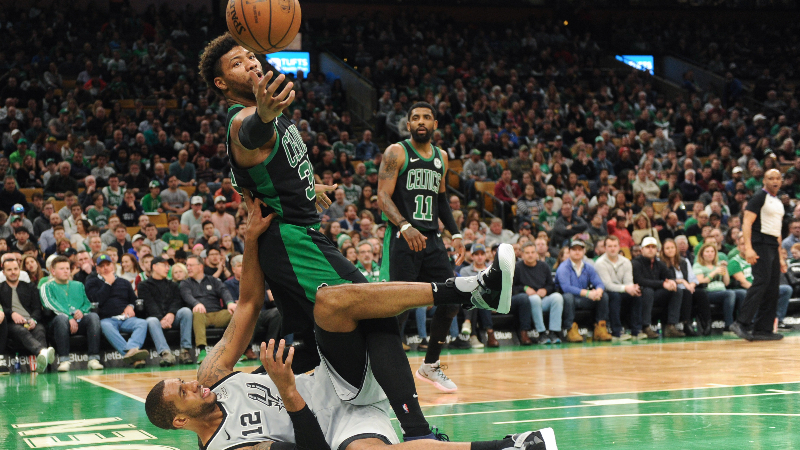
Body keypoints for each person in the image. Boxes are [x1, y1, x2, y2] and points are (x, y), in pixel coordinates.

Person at [199, 36, 515, 441]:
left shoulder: (270, 115)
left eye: (250, 56)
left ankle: (405, 430)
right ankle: (469, 293)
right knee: (370, 311)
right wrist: (262, 114)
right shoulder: (243, 120)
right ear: (223, 84)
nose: (251, 63)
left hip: (298, 236)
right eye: (238, 64)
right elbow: (249, 139)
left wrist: (310, 186)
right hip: (292, 242)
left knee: (326, 342)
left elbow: (267, 167)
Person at [145, 194, 557, 449]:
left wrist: (251, 240)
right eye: (184, 391)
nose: (193, 383)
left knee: (329, 302)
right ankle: (519, 445)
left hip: (340, 374)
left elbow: (250, 303)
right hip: (338, 426)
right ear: (181, 420)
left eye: (184, 380)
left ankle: (466, 290)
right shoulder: (231, 449)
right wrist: (287, 391)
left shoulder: (212, 374)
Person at [377, 101, 470, 393]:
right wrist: (405, 225)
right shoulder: (396, 152)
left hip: (432, 239)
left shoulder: (441, 157)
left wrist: (455, 234)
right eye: (415, 117)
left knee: (452, 299)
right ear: (407, 125)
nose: (420, 121)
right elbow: (382, 196)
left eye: (426, 117)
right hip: (403, 237)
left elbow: (441, 201)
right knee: (399, 307)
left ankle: (430, 365)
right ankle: (380, 369)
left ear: (435, 125)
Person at [730, 169, 787, 341]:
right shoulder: (758, 197)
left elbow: (777, 231)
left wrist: (781, 258)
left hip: (772, 245)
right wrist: (748, 248)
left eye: (777, 178)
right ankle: (741, 322)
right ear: (764, 181)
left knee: (772, 288)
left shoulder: (778, 202)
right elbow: (746, 223)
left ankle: (763, 329)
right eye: (770, 178)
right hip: (759, 243)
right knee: (761, 282)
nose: (774, 181)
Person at [85, 254, 150, 368]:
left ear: (113, 266)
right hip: (107, 319)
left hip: (126, 318)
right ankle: (132, 354)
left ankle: (131, 349)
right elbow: (96, 300)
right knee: (105, 326)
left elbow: (133, 300)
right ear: (97, 269)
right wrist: (107, 284)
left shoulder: (124, 282)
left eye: (108, 265)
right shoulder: (92, 282)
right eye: (102, 266)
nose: (106, 268)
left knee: (142, 323)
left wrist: (130, 306)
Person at [728, 235, 794, 330]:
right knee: (756, 294)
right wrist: (760, 290)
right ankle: (751, 322)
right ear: (738, 247)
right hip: (747, 289)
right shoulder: (735, 262)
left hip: (761, 287)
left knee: (786, 289)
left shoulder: (759, 258)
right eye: (742, 244)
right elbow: (743, 283)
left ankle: (778, 320)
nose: (745, 247)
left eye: (748, 244)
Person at [1, 258, 55, 373]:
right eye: (9, 270)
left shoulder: (29, 287)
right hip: (11, 323)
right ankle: (42, 351)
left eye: (15, 269)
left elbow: (37, 308)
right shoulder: (0, 288)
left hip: (30, 320)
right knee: (21, 331)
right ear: (3, 272)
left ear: (19, 270)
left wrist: (33, 320)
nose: (13, 272)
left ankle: (42, 366)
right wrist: (11, 314)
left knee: (40, 331)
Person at [180, 254, 236, 363]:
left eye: (191, 265)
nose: (188, 268)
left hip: (217, 314)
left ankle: (236, 350)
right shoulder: (185, 283)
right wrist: (196, 303)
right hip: (201, 317)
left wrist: (230, 303)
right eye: (187, 265)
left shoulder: (213, 280)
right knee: (197, 311)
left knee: (236, 312)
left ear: (200, 266)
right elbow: (187, 296)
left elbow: (224, 291)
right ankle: (202, 351)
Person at [555, 239, 612, 343]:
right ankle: (570, 328)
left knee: (604, 296)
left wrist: (598, 291)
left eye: (580, 250)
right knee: (568, 296)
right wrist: (587, 293)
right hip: (569, 300)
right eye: (574, 249)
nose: (577, 252)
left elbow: (599, 282)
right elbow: (566, 287)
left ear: (584, 251)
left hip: (584, 298)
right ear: (569, 251)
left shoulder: (588, 267)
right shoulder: (563, 267)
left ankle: (601, 327)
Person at [139, 256, 192, 365]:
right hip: (156, 320)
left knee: (186, 311)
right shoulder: (143, 285)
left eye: (168, 266)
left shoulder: (173, 285)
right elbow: (149, 304)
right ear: (154, 266)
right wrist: (161, 319)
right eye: (164, 265)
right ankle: (165, 353)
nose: (168, 268)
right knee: (152, 320)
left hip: (172, 319)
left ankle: (185, 351)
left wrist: (171, 314)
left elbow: (177, 301)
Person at [512, 242, 562, 344]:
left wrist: (545, 290)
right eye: (527, 253)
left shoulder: (544, 266)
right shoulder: (517, 268)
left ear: (536, 254)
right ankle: (542, 333)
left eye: (532, 252)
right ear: (522, 255)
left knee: (557, 297)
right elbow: (511, 288)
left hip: (543, 300)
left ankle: (553, 332)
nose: (530, 255)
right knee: (534, 298)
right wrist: (524, 288)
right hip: (527, 303)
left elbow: (551, 285)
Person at [632, 237, 683, 338]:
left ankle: (671, 326)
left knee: (677, 290)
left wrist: (672, 282)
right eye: (648, 247)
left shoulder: (659, 263)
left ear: (657, 250)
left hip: (656, 294)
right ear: (642, 250)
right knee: (648, 291)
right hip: (640, 294)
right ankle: (645, 327)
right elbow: (640, 280)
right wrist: (662, 284)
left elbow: (669, 276)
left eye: (653, 247)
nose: (651, 249)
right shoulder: (636, 263)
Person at [661, 239, 711, 336]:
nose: (670, 250)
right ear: (663, 250)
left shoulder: (684, 261)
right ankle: (686, 324)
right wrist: (684, 282)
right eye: (667, 248)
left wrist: (691, 284)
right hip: (672, 289)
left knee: (701, 293)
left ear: (676, 249)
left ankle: (707, 323)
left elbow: (693, 278)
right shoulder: (661, 263)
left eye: (672, 248)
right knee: (686, 292)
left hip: (686, 288)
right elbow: (665, 279)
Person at [594, 236, 640, 340]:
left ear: (619, 247)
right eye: (610, 246)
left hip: (622, 289)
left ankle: (636, 330)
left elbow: (628, 282)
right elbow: (607, 285)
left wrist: (632, 288)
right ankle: (617, 331)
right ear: (605, 248)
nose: (613, 249)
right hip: (606, 292)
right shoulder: (600, 263)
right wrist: (626, 288)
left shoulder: (626, 262)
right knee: (615, 296)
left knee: (637, 294)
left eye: (615, 246)